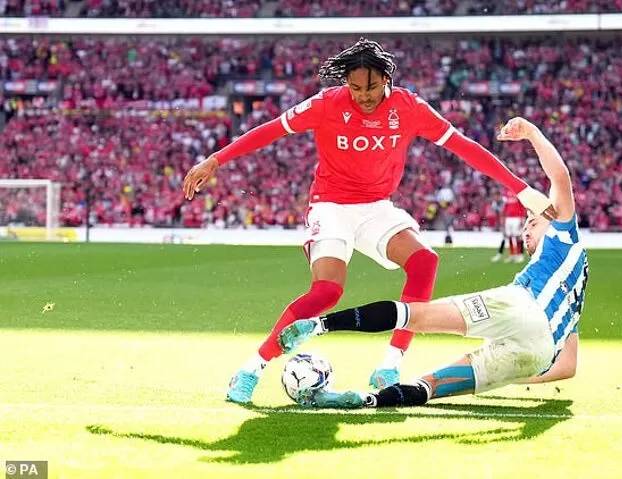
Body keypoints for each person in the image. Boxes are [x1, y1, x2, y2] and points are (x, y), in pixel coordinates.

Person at [182, 39, 554, 404]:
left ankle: (389, 366)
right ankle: (251, 368)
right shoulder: (326, 104)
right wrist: (215, 160)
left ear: (386, 79)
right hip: (331, 206)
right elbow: (272, 129)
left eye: (371, 87)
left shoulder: (409, 108)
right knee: (327, 292)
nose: (363, 96)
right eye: (355, 88)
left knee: (425, 261)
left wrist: (522, 190)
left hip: (376, 207)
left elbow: (464, 147)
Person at [278, 117, 587, 409]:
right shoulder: (574, 288)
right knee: (431, 385)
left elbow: (560, 177)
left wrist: (531, 132)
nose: (526, 229)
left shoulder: (563, 234)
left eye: (532, 223)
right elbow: (568, 366)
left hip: (521, 306)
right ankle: (367, 400)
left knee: (416, 316)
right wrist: (508, 375)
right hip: (539, 352)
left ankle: (319, 325)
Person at [491, 189, 527, 263]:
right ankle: (512, 255)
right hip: (508, 218)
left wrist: (522, 218)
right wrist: (504, 218)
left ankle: (520, 255)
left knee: (518, 236)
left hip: (517, 217)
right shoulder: (506, 193)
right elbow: (506, 207)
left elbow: (522, 206)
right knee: (509, 236)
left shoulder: (518, 192)